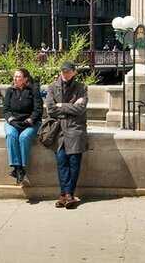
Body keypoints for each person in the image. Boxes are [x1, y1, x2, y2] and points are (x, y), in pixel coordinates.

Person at [46, 59, 89, 209]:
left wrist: (62, 106)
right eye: (63, 71)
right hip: (59, 130)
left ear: (74, 72)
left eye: (68, 71)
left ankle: (66, 194)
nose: (65, 74)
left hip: (76, 129)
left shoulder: (81, 88)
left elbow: (80, 109)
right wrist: (70, 107)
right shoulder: (52, 87)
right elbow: (51, 109)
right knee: (61, 161)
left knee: (74, 163)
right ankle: (67, 195)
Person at [2, 66, 41, 185]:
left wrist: (30, 120)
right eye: (14, 76)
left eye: (18, 76)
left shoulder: (33, 90)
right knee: (11, 134)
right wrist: (11, 120)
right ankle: (18, 169)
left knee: (24, 137)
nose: (15, 78)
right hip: (13, 122)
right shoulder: (9, 91)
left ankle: (22, 167)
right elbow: (6, 110)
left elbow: (38, 110)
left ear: (25, 79)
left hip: (29, 122)